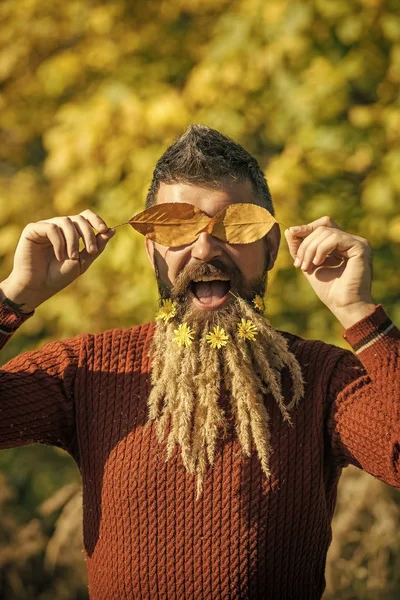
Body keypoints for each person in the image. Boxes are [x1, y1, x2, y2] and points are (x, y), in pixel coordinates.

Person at [0, 124, 399, 600]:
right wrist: (14, 296)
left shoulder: (321, 379)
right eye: (178, 229)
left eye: (234, 228)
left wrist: (361, 315)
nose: (206, 249)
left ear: (271, 249)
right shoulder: (87, 370)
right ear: (150, 249)